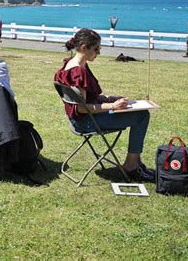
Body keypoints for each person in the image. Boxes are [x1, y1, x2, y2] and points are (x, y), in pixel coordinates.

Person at [54, 28, 154, 182]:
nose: (98, 52)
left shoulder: (71, 64)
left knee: (140, 113)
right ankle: (131, 166)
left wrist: (111, 99)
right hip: (86, 122)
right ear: (83, 47)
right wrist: (113, 106)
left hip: (79, 120)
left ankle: (135, 162)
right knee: (142, 115)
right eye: (96, 49)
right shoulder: (78, 72)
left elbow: (87, 99)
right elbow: (82, 108)